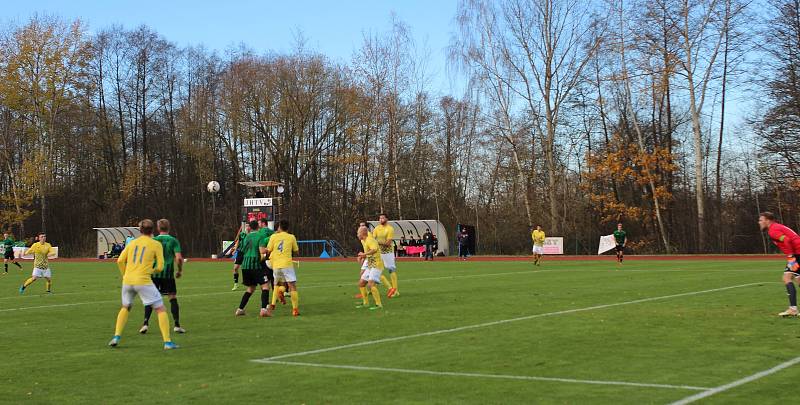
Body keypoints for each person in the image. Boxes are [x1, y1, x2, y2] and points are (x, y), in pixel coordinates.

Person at [108, 219, 178, 350]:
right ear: (153, 230)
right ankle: (168, 342)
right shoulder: (155, 244)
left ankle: (116, 336)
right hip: (143, 280)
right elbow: (161, 266)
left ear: (140, 230)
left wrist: (125, 274)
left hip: (128, 280)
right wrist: (152, 271)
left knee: (125, 307)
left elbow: (120, 261)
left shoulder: (132, 243)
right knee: (160, 309)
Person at [140, 219, 185, 334]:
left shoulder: (153, 240)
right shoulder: (173, 241)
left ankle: (145, 324)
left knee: (150, 299)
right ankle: (177, 325)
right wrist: (179, 270)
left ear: (158, 228)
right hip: (168, 274)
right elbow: (179, 258)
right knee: (172, 297)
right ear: (169, 227)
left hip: (154, 273)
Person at [759, 212, 800, 317]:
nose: (759, 222)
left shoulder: (773, 230)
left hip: (797, 253)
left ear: (767, 220)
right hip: (797, 252)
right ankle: (793, 309)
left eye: (761, 220)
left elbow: (787, 240)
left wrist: (791, 256)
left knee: (786, 278)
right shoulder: (777, 227)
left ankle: (793, 309)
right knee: (798, 279)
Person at [234, 220, 272, 317]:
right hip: (256, 265)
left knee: (250, 288)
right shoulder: (260, 236)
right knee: (265, 286)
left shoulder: (246, 237)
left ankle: (240, 309)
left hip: (245, 266)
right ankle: (263, 310)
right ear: (258, 228)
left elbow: (241, 250)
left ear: (250, 228)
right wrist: (268, 250)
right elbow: (262, 251)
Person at [266, 220, 301, 316]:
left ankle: (275, 300)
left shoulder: (273, 237)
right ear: (288, 228)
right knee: (292, 286)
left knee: (277, 283)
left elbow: (268, 250)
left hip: (276, 265)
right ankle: (295, 309)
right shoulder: (291, 237)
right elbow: (296, 251)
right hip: (287, 264)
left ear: (279, 227)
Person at [357, 226, 384, 310]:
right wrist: (363, 257)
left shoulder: (370, 240)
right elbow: (369, 253)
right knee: (361, 283)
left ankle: (379, 305)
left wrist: (363, 255)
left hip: (377, 265)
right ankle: (366, 303)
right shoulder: (363, 241)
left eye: (358, 233)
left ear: (363, 233)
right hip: (370, 265)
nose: (357, 234)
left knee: (371, 283)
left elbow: (374, 249)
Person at [372, 214, 398, 297]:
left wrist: (377, 243)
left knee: (391, 269)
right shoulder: (377, 228)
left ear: (386, 219)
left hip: (388, 252)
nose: (381, 219)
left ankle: (395, 290)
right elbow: (373, 239)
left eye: (382, 218)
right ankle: (373, 289)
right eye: (380, 218)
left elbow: (388, 243)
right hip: (379, 253)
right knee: (376, 269)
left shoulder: (390, 229)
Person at [231, 224, 249, 291]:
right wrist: (235, 250)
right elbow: (238, 241)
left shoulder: (252, 235)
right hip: (240, 253)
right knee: (235, 268)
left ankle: (248, 283)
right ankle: (236, 284)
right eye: (246, 226)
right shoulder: (241, 234)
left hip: (247, 254)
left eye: (248, 226)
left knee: (246, 269)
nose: (247, 227)